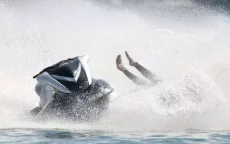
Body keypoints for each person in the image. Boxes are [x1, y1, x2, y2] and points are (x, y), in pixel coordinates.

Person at [30, 55, 113, 120]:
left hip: (78, 89)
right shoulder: (53, 99)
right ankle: (35, 111)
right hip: (51, 94)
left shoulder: (97, 86)